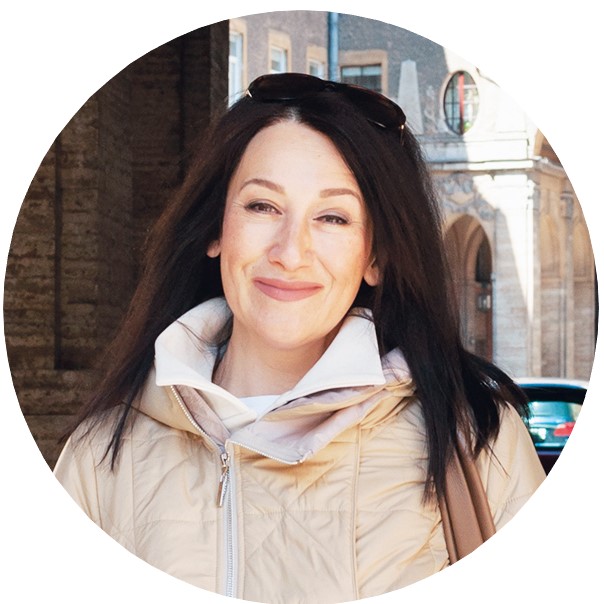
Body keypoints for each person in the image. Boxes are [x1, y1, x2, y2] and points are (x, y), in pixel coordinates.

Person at [54, 73, 545, 603]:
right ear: (216, 228)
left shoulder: (477, 440)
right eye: (262, 206)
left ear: (376, 256)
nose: (290, 252)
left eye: (333, 217)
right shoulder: (100, 456)